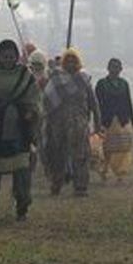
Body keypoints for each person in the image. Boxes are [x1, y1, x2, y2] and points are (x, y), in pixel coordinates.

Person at [0, 39, 41, 220]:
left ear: (17, 57)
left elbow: (35, 100)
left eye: (12, 57)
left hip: (20, 130)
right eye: (5, 57)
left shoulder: (25, 75)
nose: (9, 60)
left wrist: (30, 114)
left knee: (22, 171)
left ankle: (22, 208)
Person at [43, 48, 101, 196]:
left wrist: (98, 122)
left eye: (73, 61)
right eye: (67, 61)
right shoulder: (56, 80)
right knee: (57, 153)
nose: (70, 64)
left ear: (78, 63)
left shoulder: (84, 79)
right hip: (58, 122)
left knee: (80, 154)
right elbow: (47, 100)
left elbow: (93, 103)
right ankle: (56, 184)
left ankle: (80, 186)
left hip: (79, 122)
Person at [95, 58, 133, 180]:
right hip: (107, 120)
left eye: (118, 67)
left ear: (121, 69)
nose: (115, 70)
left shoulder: (124, 84)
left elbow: (129, 103)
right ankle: (105, 169)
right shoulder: (101, 84)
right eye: (113, 67)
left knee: (123, 145)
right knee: (108, 146)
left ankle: (120, 171)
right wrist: (98, 122)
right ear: (108, 68)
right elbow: (97, 104)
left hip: (122, 120)